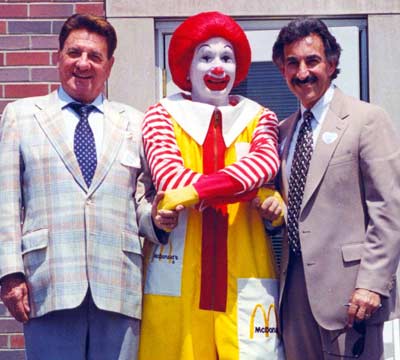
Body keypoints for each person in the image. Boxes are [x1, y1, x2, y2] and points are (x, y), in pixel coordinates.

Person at [0, 13, 179, 360]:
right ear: (58, 57)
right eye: (74, 53)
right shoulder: (22, 116)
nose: (83, 63)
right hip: (48, 284)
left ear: (109, 65)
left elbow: (140, 200)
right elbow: (6, 201)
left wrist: (157, 219)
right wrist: (10, 273)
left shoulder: (135, 122)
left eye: (95, 56)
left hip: (118, 285)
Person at [138, 11, 285, 360]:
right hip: (179, 273)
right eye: (205, 57)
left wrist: (269, 200)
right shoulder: (160, 116)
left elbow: (266, 164)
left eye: (226, 58)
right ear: (187, 68)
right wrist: (251, 187)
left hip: (245, 268)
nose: (217, 67)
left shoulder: (260, 117)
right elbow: (170, 176)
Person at [260, 17, 400, 359]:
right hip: (294, 297)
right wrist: (271, 215)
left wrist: (371, 283)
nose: (302, 72)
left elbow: (389, 208)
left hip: (352, 297)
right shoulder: (282, 131)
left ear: (332, 64)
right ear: (281, 69)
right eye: (292, 63)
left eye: (312, 61)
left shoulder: (367, 119)